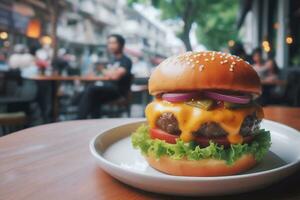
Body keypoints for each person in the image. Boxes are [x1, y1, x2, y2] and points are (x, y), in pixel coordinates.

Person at [77, 34, 132, 119]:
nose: (111, 46)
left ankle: (79, 119)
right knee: (90, 94)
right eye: (109, 43)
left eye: (114, 43)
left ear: (121, 44)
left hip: (118, 91)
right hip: (107, 88)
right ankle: (93, 121)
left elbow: (115, 76)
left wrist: (102, 70)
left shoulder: (126, 60)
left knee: (91, 90)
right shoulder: (111, 60)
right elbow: (105, 75)